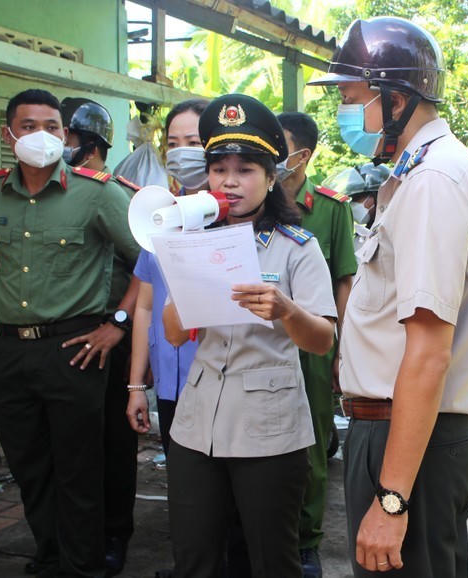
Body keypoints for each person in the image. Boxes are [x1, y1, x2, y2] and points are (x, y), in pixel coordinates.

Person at [308, 16, 468, 577]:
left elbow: (428, 352)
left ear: (395, 97)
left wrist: (392, 500)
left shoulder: (433, 182)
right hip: (403, 431)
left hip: (409, 436)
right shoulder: (417, 173)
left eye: (350, 98)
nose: (345, 113)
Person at [0, 89, 140, 577]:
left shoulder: (97, 192)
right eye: (27, 126)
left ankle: (82, 567)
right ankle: (49, 559)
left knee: (78, 471)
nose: (40, 135)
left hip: (75, 348)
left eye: (51, 126)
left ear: (65, 135)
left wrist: (117, 325)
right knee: (29, 466)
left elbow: (146, 258)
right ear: (9, 134)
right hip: (10, 351)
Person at [163, 94, 337, 578]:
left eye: (246, 170)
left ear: (271, 176)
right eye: (219, 168)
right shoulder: (195, 239)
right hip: (197, 426)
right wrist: (185, 283)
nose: (230, 182)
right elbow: (175, 335)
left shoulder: (298, 248)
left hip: (270, 430)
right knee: (193, 557)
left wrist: (285, 309)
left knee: (271, 560)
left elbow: (322, 340)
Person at [60, 97, 141, 576]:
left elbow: (145, 268)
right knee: (72, 445)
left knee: (112, 442)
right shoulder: (48, 193)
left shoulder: (118, 194)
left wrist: (119, 325)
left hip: (112, 335)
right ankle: (71, 538)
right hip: (69, 337)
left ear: (89, 145)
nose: (56, 144)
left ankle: (115, 534)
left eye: (65, 136)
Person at [276, 111, 357, 577]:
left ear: (301, 155)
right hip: (258, 339)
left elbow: (344, 283)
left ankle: (306, 541)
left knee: (310, 444)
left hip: (312, 344)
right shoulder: (248, 201)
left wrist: (342, 352)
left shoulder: (330, 208)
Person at [126, 98, 209, 454]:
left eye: (193, 143)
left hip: (219, 381)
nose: (181, 154)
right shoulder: (159, 215)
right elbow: (145, 306)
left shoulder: (237, 219)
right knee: (185, 492)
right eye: (173, 145)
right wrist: (135, 387)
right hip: (169, 383)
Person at [324, 162, 390, 254]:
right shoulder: (361, 237)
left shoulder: (392, 236)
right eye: (352, 199)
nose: (352, 204)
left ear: (378, 196)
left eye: (357, 198)